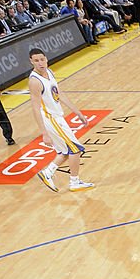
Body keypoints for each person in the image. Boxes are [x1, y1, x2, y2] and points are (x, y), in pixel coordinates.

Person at [28, 48, 95, 192]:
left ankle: (47, 172)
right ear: (31, 62)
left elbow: (60, 94)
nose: (40, 63)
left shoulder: (49, 72)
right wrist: (44, 133)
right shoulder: (35, 81)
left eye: (42, 59)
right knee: (76, 149)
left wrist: (78, 113)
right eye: (36, 61)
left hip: (58, 117)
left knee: (65, 151)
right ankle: (74, 182)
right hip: (51, 119)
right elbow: (34, 108)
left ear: (46, 58)